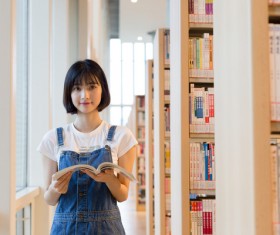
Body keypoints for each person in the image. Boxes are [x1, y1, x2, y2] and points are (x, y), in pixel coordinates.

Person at [37, 59, 137, 234]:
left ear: (102, 89)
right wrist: (55, 189)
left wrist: (109, 180)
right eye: (77, 88)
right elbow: (49, 199)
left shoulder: (122, 137)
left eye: (91, 87)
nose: (85, 95)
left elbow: (122, 195)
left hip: (107, 229)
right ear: (69, 92)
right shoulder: (53, 138)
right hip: (65, 229)